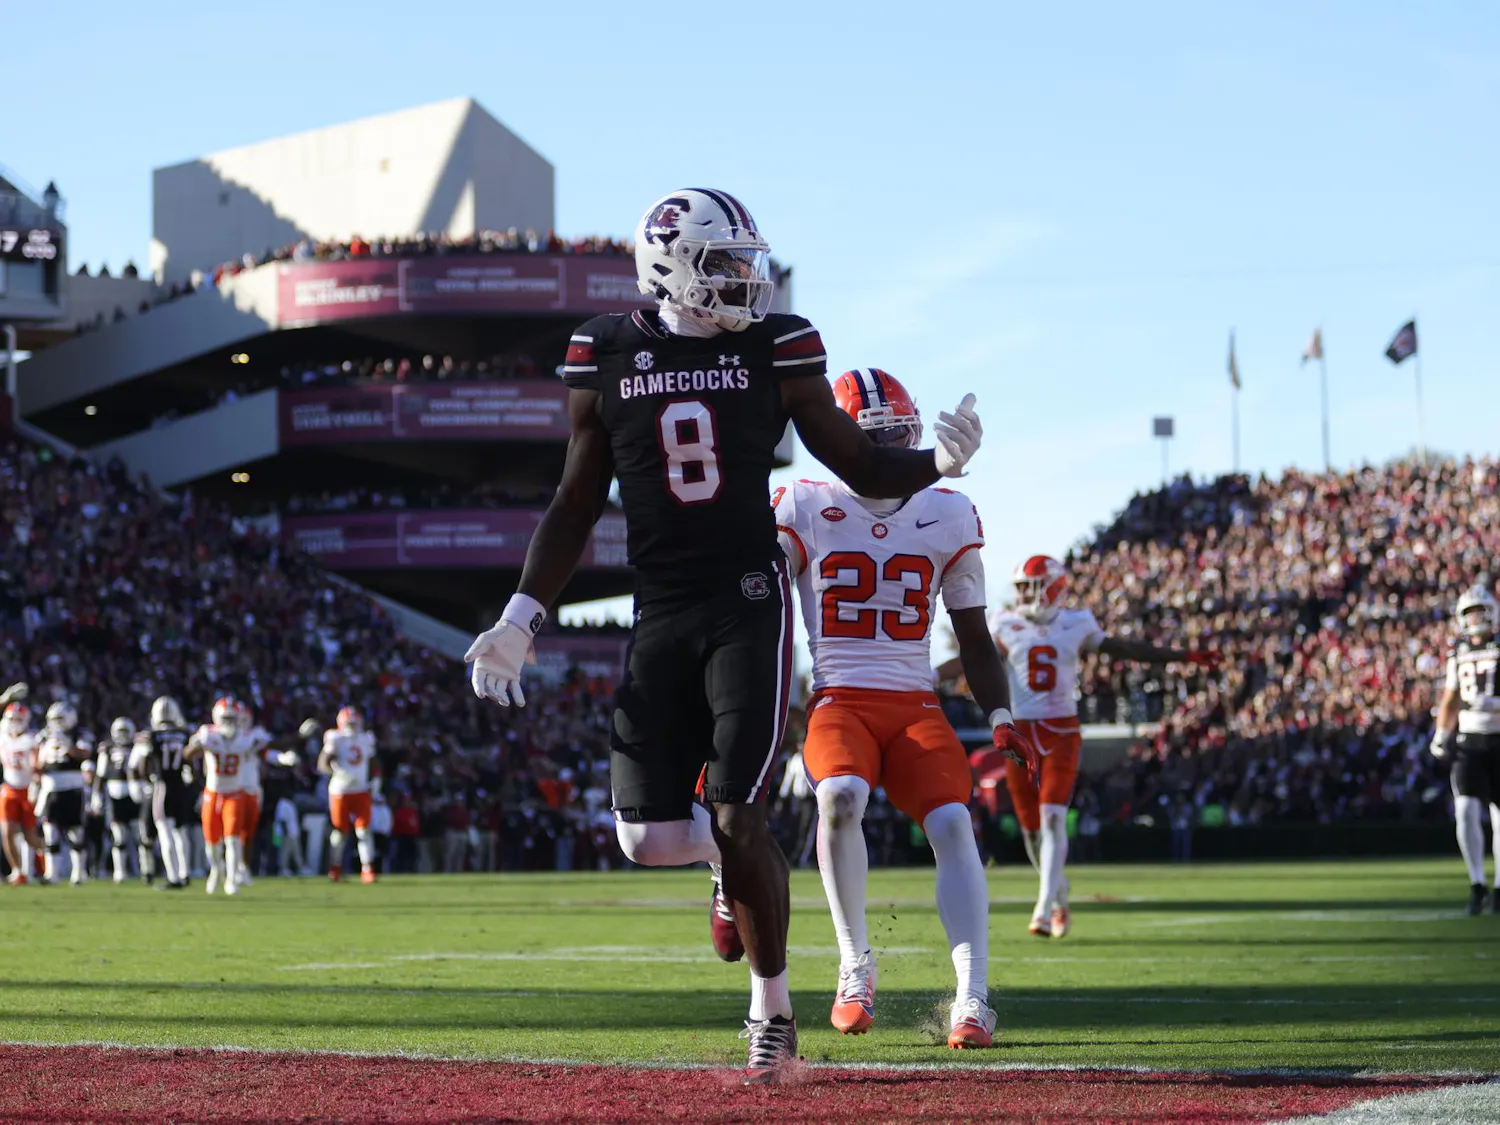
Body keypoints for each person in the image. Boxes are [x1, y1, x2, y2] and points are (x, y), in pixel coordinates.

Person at [464, 188, 984, 1083]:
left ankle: (772, 1010)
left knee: (743, 811)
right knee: (646, 838)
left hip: (747, 598)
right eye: (723, 263)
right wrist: (520, 615)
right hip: (657, 606)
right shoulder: (605, 349)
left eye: (748, 260)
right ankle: (726, 860)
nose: (746, 280)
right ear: (666, 262)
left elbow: (851, 457)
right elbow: (578, 497)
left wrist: (936, 463)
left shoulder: (774, 344)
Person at [774, 368, 1038, 1049]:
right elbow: (757, 607)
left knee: (953, 820)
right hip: (839, 698)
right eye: (877, 439)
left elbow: (975, 636)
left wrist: (1003, 714)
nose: (892, 451)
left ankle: (973, 996)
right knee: (839, 796)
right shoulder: (802, 502)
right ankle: (854, 960)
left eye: (900, 436)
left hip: (916, 702)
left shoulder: (947, 512)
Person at [990, 555, 1217, 938]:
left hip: (1062, 729)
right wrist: (927, 673)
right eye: (1023, 588)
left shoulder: (1077, 623)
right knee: (1031, 831)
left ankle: (1044, 908)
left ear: (1053, 586)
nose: (1026, 594)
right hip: (1022, 732)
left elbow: (1128, 650)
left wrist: (1182, 657)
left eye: (1031, 586)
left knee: (1053, 818)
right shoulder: (1004, 623)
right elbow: (973, 661)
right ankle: (1060, 896)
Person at [186, 697, 309, 896]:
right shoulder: (207, 734)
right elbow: (188, 754)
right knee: (212, 842)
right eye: (225, 718)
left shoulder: (247, 738)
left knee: (233, 838)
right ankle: (217, 871)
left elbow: (270, 746)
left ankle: (232, 878)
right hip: (212, 793)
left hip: (234, 793)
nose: (229, 722)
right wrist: (192, 758)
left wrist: (295, 741)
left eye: (232, 718)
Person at [1430, 584, 1500, 915]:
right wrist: (1442, 732)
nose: (1476, 618)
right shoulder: (1457, 651)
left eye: (1480, 611)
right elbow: (1450, 697)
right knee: (1465, 811)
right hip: (1469, 740)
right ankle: (1476, 884)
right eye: (1470, 612)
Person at [131, 696, 194, 890]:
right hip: (181, 786)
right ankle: (185, 873)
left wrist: (142, 781)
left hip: (162, 786)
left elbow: (137, 763)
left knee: (165, 832)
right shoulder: (185, 734)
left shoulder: (150, 736)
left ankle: (173, 877)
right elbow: (191, 761)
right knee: (181, 832)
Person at [316, 706, 380, 883]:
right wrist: (334, 771)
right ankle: (335, 868)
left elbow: (374, 762)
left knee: (364, 831)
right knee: (340, 831)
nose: (352, 727)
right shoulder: (335, 738)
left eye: (354, 723)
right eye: (349, 723)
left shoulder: (365, 739)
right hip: (340, 790)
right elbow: (322, 763)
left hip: (360, 789)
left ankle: (367, 869)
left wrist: (376, 779)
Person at [36, 701, 94, 885]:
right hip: (51, 789)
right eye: (55, 719)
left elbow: (84, 753)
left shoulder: (79, 734)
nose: (58, 723)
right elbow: (38, 765)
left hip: (73, 788)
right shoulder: (44, 736)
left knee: (76, 833)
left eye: (61, 719)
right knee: (50, 832)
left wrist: (67, 744)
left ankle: (79, 873)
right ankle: (51, 874)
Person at [93, 717, 154, 884]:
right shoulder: (107, 748)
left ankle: (146, 870)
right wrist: (96, 795)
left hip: (135, 793)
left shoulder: (139, 745)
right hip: (115, 793)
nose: (123, 735)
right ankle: (120, 872)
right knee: (118, 836)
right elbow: (100, 773)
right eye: (120, 732)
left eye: (125, 731)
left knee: (140, 835)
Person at [1, 693, 42, 884]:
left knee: (30, 836)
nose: (15, 723)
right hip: (9, 787)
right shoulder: (2, 735)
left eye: (19, 719)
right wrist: (4, 698)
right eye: (12, 719)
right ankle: (17, 871)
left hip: (28, 789)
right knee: (7, 831)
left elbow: (36, 764)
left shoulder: (31, 738)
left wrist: (36, 781)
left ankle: (49, 862)